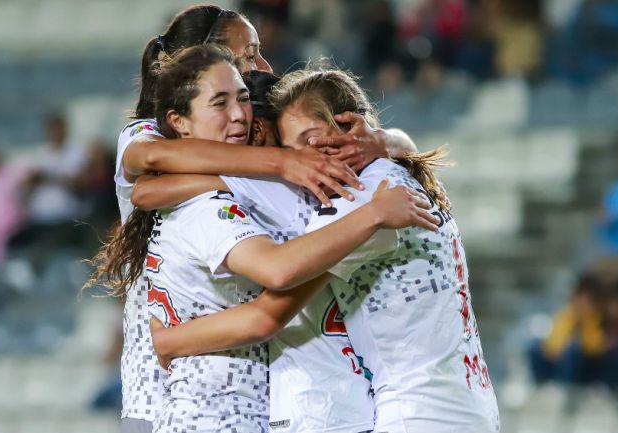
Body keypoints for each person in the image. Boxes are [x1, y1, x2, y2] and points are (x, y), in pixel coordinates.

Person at [112, 5, 427, 432]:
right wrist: (283, 165)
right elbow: (148, 175)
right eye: (248, 56)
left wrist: (381, 139)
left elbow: (400, 147)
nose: (263, 65)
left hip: (257, 387)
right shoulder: (154, 141)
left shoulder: (240, 170)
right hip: (168, 388)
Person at [148, 67, 500, 433]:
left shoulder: (365, 202)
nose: (304, 159)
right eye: (291, 149)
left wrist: (170, 340)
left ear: (350, 126)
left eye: (311, 139)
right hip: (464, 401)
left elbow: (274, 296)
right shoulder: (393, 176)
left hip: (419, 411)